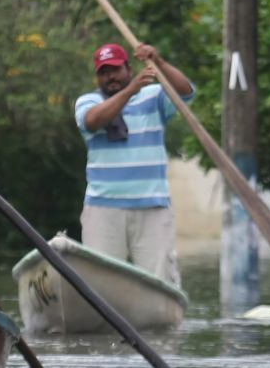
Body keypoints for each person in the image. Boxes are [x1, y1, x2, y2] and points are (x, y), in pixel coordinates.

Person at [74, 41, 194, 287]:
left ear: (128, 69)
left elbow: (186, 92)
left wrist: (158, 61)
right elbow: (92, 121)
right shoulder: (88, 102)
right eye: (104, 72)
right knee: (100, 284)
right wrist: (130, 91)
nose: (111, 77)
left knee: (159, 282)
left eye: (115, 70)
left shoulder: (154, 96)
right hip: (103, 209)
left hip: (152, 206)